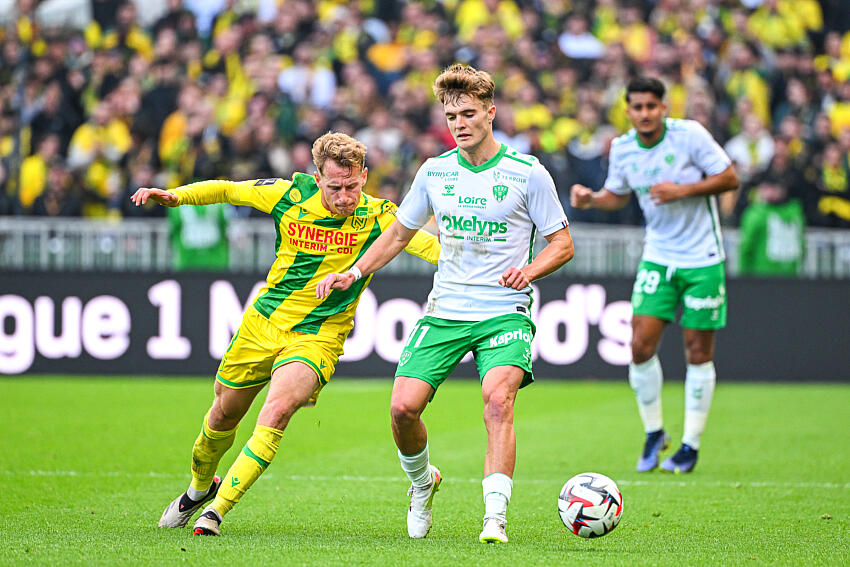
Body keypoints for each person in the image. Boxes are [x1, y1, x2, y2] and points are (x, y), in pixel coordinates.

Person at [130, 132, 440, 536]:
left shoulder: (381, 216)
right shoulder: (288, 195)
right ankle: (199, 490)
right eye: (334, 187)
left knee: (275, 412)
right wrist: (177, 196)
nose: (344, 196)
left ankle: (216, 512)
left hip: (318, 336)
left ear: (364, 176)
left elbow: (431, 248)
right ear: (318, 177)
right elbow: (229, 190)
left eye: (352, 186)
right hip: (262, 325)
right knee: (222, 414)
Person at [317, 64, 575, 544]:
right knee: (402, 409)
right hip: (446, 309)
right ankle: (422, 483)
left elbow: (562, 244)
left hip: (504, 309)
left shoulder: (528, 173)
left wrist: (528, 271)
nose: (459, 123)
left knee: (498, 402)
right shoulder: (435, 172)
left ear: (491, 113)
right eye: (452, 115)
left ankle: (494, 517)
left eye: (469, 113)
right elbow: (399, 233)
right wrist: (353, 272)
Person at [570, 77, 739, 474]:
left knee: (697, 350)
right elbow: (618, 195)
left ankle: (690, 445)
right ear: (628, 111)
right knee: (640, 345)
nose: (645, 113)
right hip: (658, 256)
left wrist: (683, 190)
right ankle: (654, 432)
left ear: (664, 107)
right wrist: (592, 199)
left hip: (702, 258)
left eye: (651, 106)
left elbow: (730, 178)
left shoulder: (690, 135)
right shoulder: (623, 148)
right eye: (638, 107)